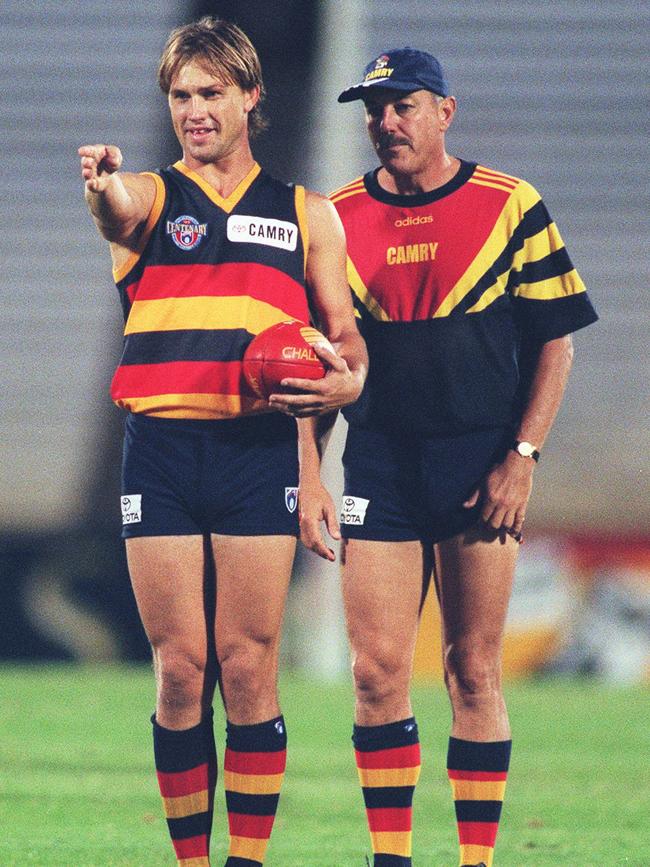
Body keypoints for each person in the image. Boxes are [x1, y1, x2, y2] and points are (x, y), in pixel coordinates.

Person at [294, 47, 598, 867]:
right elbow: (309, 360)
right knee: (375, 671)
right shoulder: (334, 215)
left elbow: (555, 347)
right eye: (374, 108)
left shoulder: (512, 205)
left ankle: (475, 860)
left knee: (473, 668)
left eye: (403, 105)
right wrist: (311, 472)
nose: (385, 121)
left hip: (480, 466)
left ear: (445, 112)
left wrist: (522, 455)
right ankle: (390, 858)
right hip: (382, 464)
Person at [79, 17, 366, 867]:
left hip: (258, 455)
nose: (195, 111)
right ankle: (191, 862)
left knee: (247, 668)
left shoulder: (307, 214)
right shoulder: (151, 198)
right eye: (180, 96)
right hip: (161, 451)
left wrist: (338, 408)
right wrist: (98, 184)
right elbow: (115, 205)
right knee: (178, 670)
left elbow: (342, 349)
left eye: (211, 93)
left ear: (251, 96)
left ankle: (246, 859)